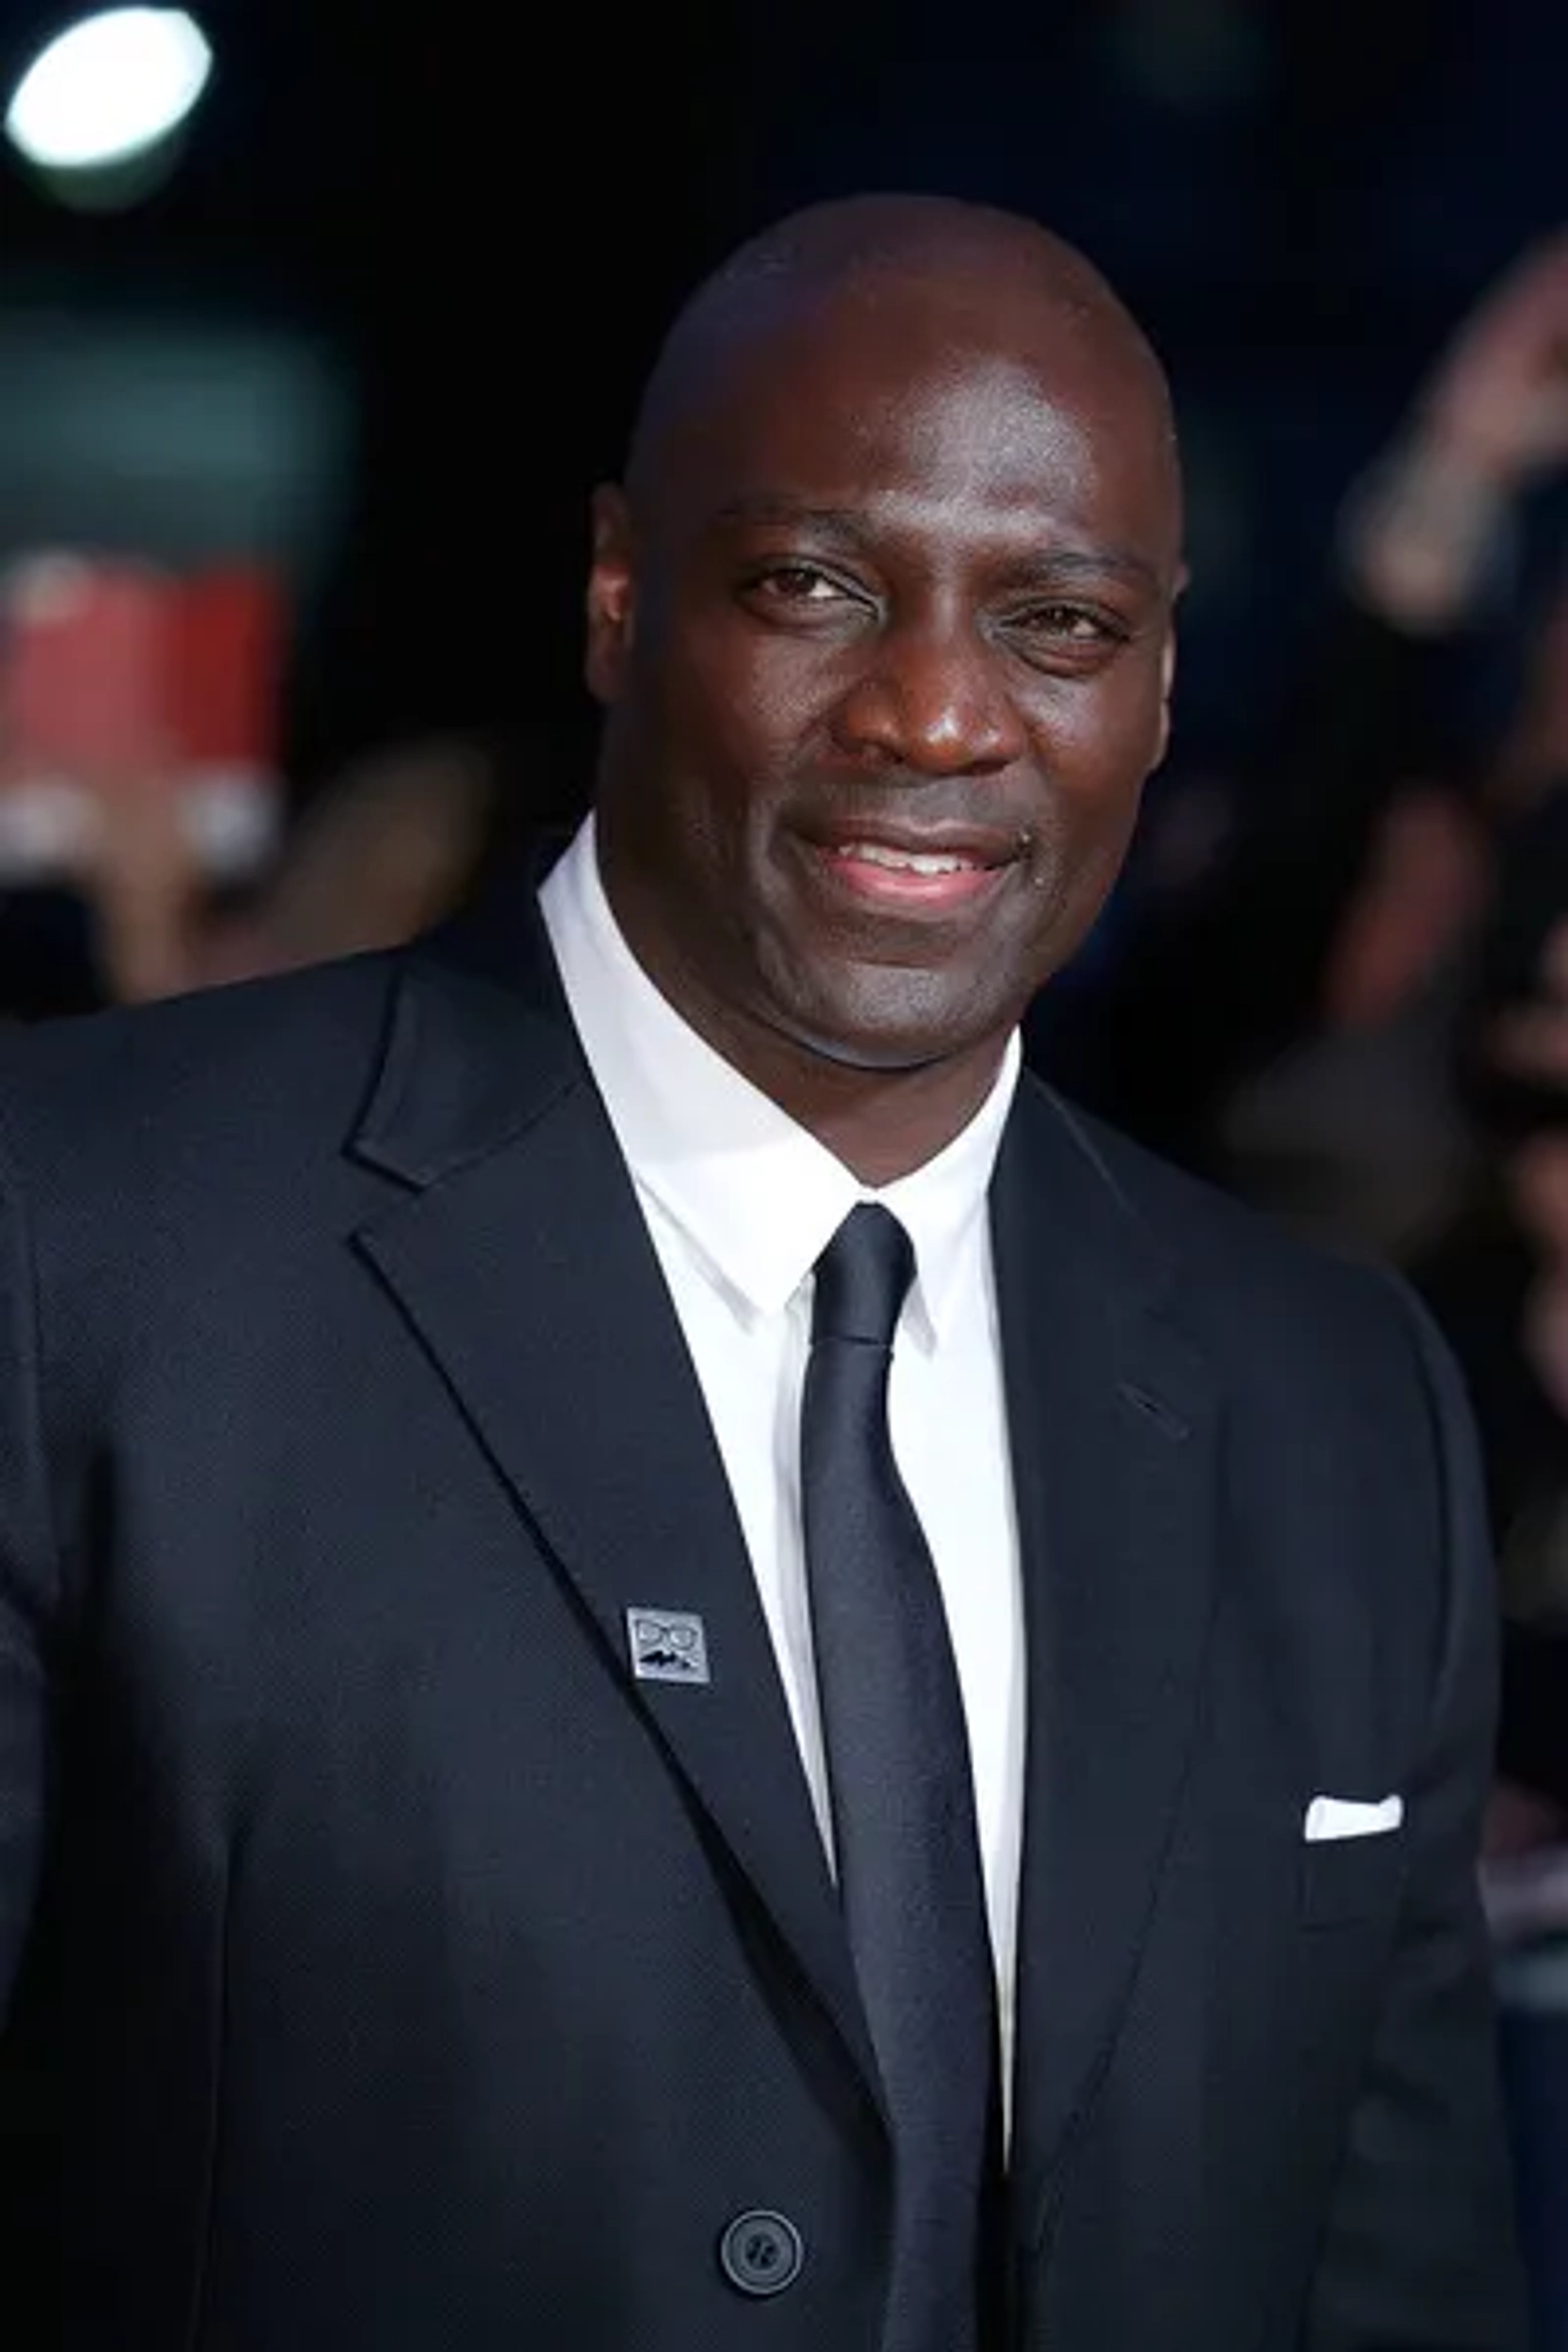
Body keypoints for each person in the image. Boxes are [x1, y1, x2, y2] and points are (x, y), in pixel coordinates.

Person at [0, 194, 1524, 2351]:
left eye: (1060, 625)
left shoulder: (1336, 1409)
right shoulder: (81, 1243)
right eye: (815, 587)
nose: (931, 715)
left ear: (1162, 683)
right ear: (623, 596)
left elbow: (1404, 2285)